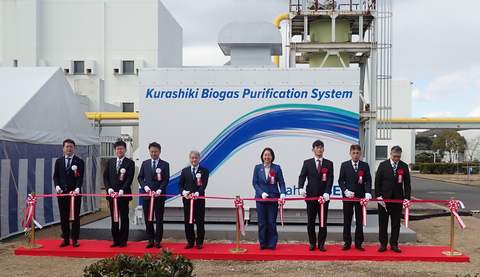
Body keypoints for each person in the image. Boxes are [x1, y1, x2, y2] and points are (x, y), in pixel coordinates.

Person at [298, 139, 334, 251]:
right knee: (311, 222)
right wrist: (300, 188)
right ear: (313, 150)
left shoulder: (329, 163)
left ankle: (322, 243)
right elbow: (302, 176)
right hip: (311, 197)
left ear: (324, 149)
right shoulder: (307, 163)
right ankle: (312, 243)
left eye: (321, 147)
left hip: (323, 198)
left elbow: (330, 179)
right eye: (317, 147)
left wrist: (327, 192)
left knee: (323, 222)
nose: (319, 149)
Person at [375, 145, 411, 253]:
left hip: (397, 199)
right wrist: (378, 196)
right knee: (383, 222)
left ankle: (394, 243)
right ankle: (383, 243)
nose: (396, 159)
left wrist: (407, 198)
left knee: (396, 222)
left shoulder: (404, 166)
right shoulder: (383, 165)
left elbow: (407, 184)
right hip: (384, 199)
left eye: (398, 157)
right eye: (394, 156)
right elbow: (377, 182)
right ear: (390, 154)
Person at [338, 144, 372, 251]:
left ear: (360, 154)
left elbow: (368, 180)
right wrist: (345, 191)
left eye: (357, 153)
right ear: (350, 153)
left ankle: (358, 243)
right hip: (348, 197)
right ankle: (347, 242)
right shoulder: (344, 165)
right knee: (347, 220)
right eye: (353, 153)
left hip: (360, 197)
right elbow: (340, 180)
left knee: (359, 220)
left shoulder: (365, 166)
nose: (355, 155)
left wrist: (367, 192)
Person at [252, 147, 286, 250]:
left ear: (272, 157)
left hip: (273, 198)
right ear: (262, 156)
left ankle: (272, 244)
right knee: (262, 222)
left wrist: (283, 194)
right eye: (265, 155)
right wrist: (261, 193)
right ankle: (263, 244)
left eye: (269, 155)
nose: (267, 157)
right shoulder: (258, 168)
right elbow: (255, 182)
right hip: (261, 199)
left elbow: (282, 183)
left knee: (271, 222)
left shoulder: (277, 168)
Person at [53, 139, 85, 247]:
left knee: (75, 216)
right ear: (63, 148)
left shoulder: (79, 161)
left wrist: (77, 189)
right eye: (67, 147)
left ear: (74, 148)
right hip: (62, 194)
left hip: (74, 194)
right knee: (64, 216)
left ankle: (75, 238)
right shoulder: (59, 161)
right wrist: (57, 186)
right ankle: (65, 238)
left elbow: (80, 177)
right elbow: (56, 176)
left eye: (71, 147)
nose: (69, 149)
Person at [138, 142, 170, 249]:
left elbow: (166, 179)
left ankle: (158, 240)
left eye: (155, 151)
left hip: (159, 197)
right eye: (151, 151)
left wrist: (160, 190)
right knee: (148, 218)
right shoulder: (145, 163)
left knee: (159, 218)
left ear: (159, 151)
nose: (153, 153)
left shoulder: (165, 165)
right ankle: (150, 239)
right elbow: (140, 177)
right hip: (147, 196)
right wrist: (145, 188)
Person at [103, 140, 135, 248]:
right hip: (112, 196)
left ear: (125, 150)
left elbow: (129, 178)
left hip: (123, 195)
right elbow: (105, 177)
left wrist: (122, 189)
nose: (119, 150)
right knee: (114, 217)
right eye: (117, 149)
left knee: (124, 217)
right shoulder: (110, 162)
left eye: (121, 148)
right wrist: (109, 189)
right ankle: (115, 239)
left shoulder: (130, 163)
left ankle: (123, 240)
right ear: (115, 150)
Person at [178, 150, 209, 249]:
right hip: (187, 201)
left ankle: (199, 242)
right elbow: (180, 184)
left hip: (199, 200)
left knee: (200, 221)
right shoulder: (185, 171)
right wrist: (183, 192)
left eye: (196, 158)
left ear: (199, 159)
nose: (194, 160)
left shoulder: (204, 171)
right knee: (188, 221)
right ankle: (190, 241)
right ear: (189, 159)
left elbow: (204, 184)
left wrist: (197, 193)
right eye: (192, 158)